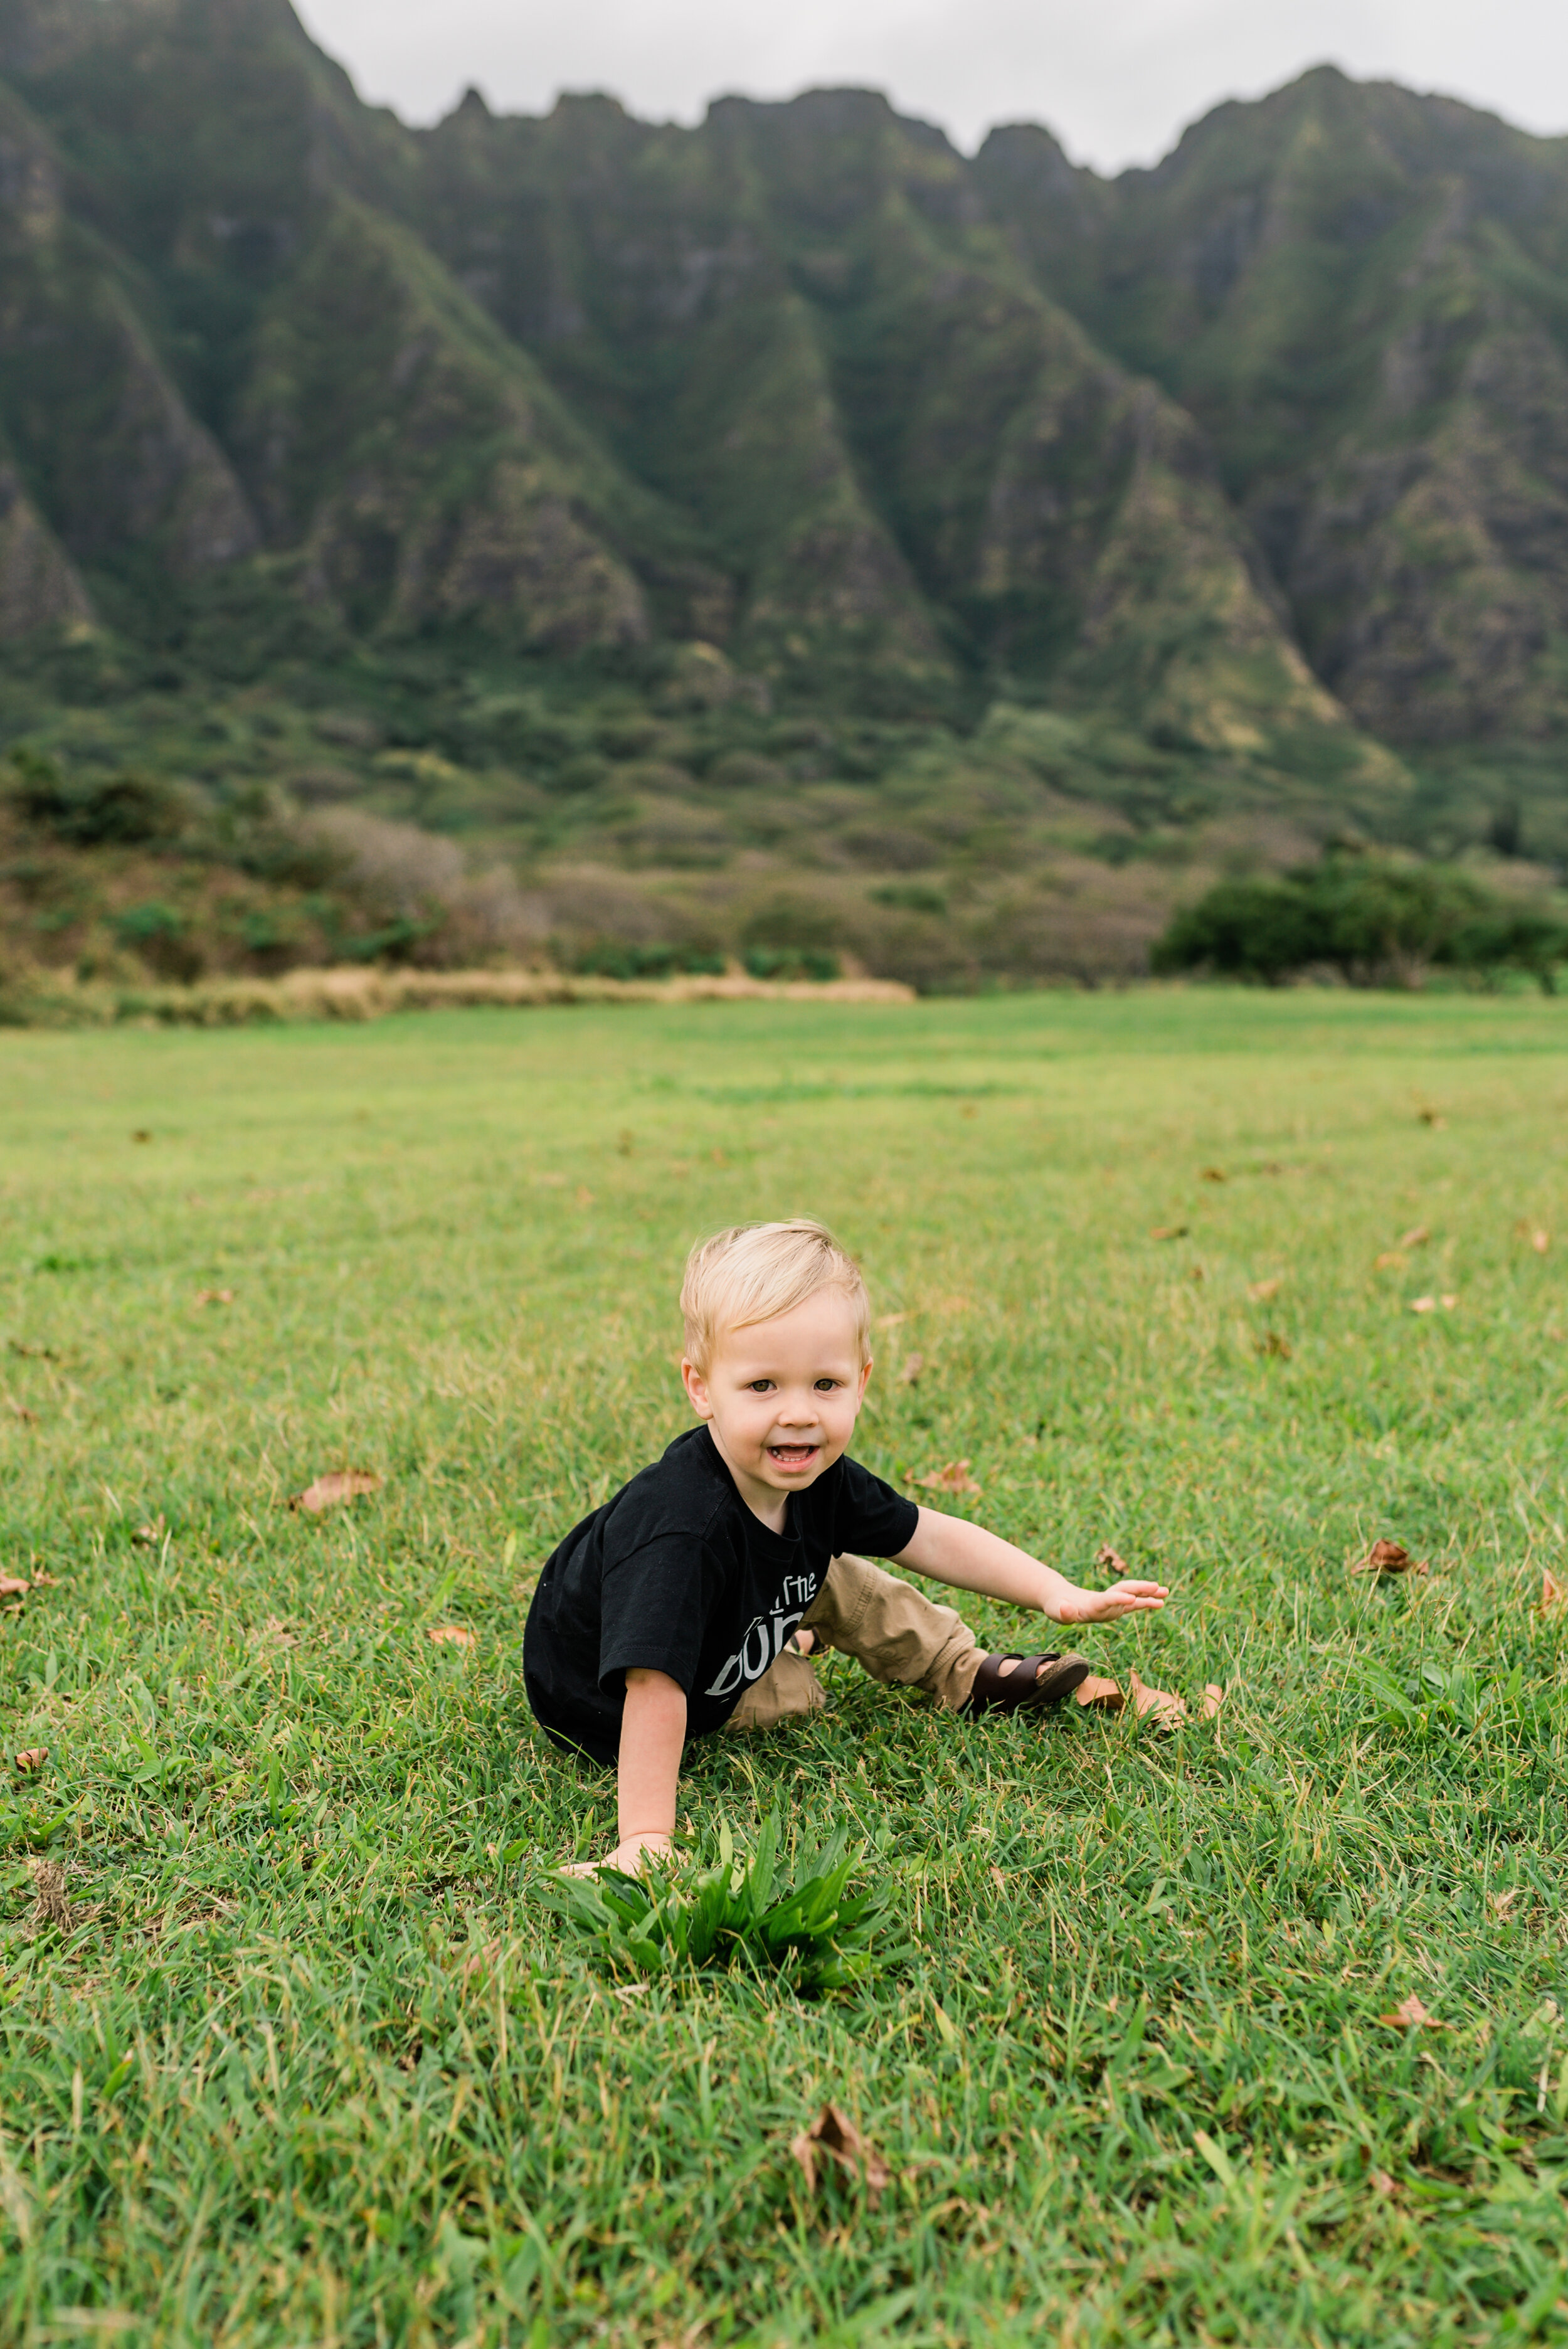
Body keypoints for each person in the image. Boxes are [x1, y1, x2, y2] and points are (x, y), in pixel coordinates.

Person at [524, 1219, 1169, 1875]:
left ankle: (962, 1670)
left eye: (824, 1384)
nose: (798, 1411)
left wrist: (1053, 1590)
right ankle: (787, 1647)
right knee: (795, 1696)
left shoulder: (819, 1479)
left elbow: (929, 1534)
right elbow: (653, 1685)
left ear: (861, 1379)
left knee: (844, 1576)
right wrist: (645, 1837)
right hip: (610, 1701)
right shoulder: (680, 1533)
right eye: (762, 1385)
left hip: (719, 1626)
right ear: (700, 1387)